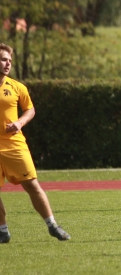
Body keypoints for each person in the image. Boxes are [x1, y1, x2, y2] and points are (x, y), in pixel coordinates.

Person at [0, 43, 70, 243]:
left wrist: (20, 123)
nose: (8, 64)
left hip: (14, 144)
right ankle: (2, 231)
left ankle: (53, 226)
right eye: (4, 59)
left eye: (10, 61)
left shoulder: (16, 87)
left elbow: (30, 109)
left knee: (32, 184)